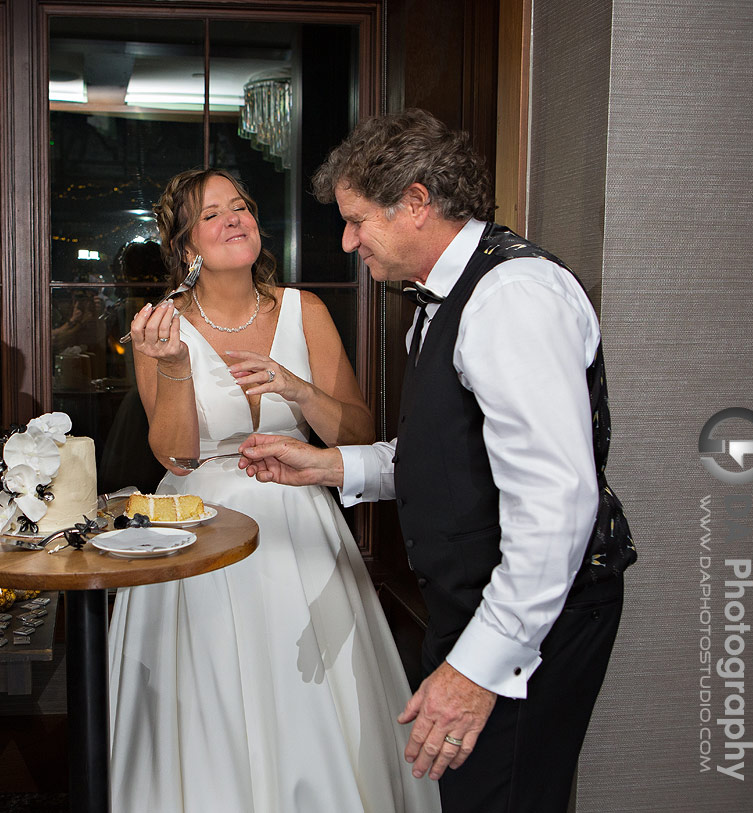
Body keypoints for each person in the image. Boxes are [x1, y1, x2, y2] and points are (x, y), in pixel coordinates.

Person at [238, 109, 636, 813]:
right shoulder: (443, 299)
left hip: (535, 615)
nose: (347, 239)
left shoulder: (512, 297)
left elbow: (555, 506)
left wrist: (476, 672)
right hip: (484, 603)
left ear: (417, 202)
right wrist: (328, 467)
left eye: (358, 219)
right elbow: (452, 459)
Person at [110, 167, 441, 813]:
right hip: (198, 529)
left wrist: (297, 388)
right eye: (212, 214)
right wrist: (175, 366)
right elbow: (175, 454)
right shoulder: (158, 326)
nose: (234, 219)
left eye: (240, 207)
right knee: (214, 700)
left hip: (300, 524)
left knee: (309, 699)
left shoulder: (304, 309)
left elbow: (360, 431)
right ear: (185, 246)